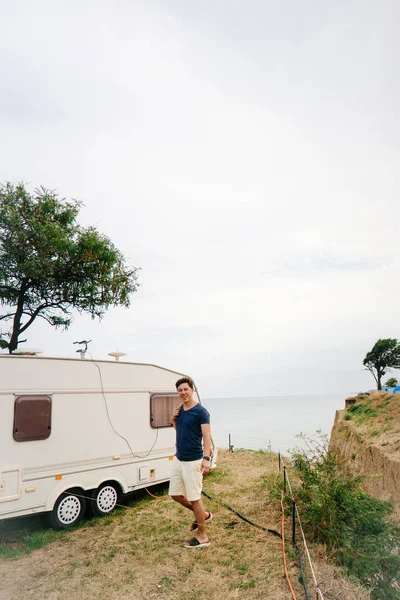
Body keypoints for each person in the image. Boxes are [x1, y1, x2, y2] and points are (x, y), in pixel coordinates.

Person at [169, 376, 213, 548]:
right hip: (179, 459)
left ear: (192, 390)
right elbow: (179, 430)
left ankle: (202, 537)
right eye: (180, 390)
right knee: (175, 495)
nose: (183, 393)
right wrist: (173, 419)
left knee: (195, 498)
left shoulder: (201, 412)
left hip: (193, 461)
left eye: (186, 389)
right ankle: (204, 515)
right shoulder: (180, 410)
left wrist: (206, 459)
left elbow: (207, 437)